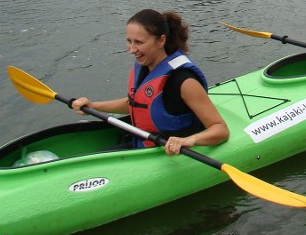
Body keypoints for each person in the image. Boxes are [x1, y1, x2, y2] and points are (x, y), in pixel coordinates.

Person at [71, 9, 229, 155]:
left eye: (139, 43)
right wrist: (94, 106)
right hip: (141, 142)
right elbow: (137, 104)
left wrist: (189, 140)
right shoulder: (145, 66)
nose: (132, 49)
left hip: (167, 152)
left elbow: (220, 130)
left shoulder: (184, 81)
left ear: (160, 41)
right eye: (129, 41)